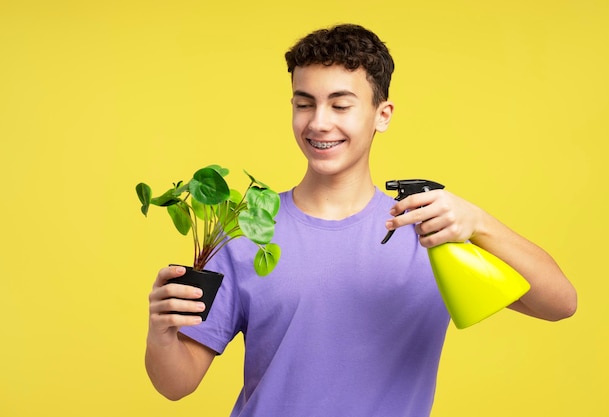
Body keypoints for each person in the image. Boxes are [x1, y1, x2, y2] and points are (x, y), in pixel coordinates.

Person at [145, 24, 577, 416]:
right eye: (304, 103)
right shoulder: (245, 230)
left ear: (382, 114)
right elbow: (177, 384)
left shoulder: (428, 230)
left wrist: (479, 223)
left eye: (340, 105)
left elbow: (559, 304)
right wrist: (161, 332)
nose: (319, 122)